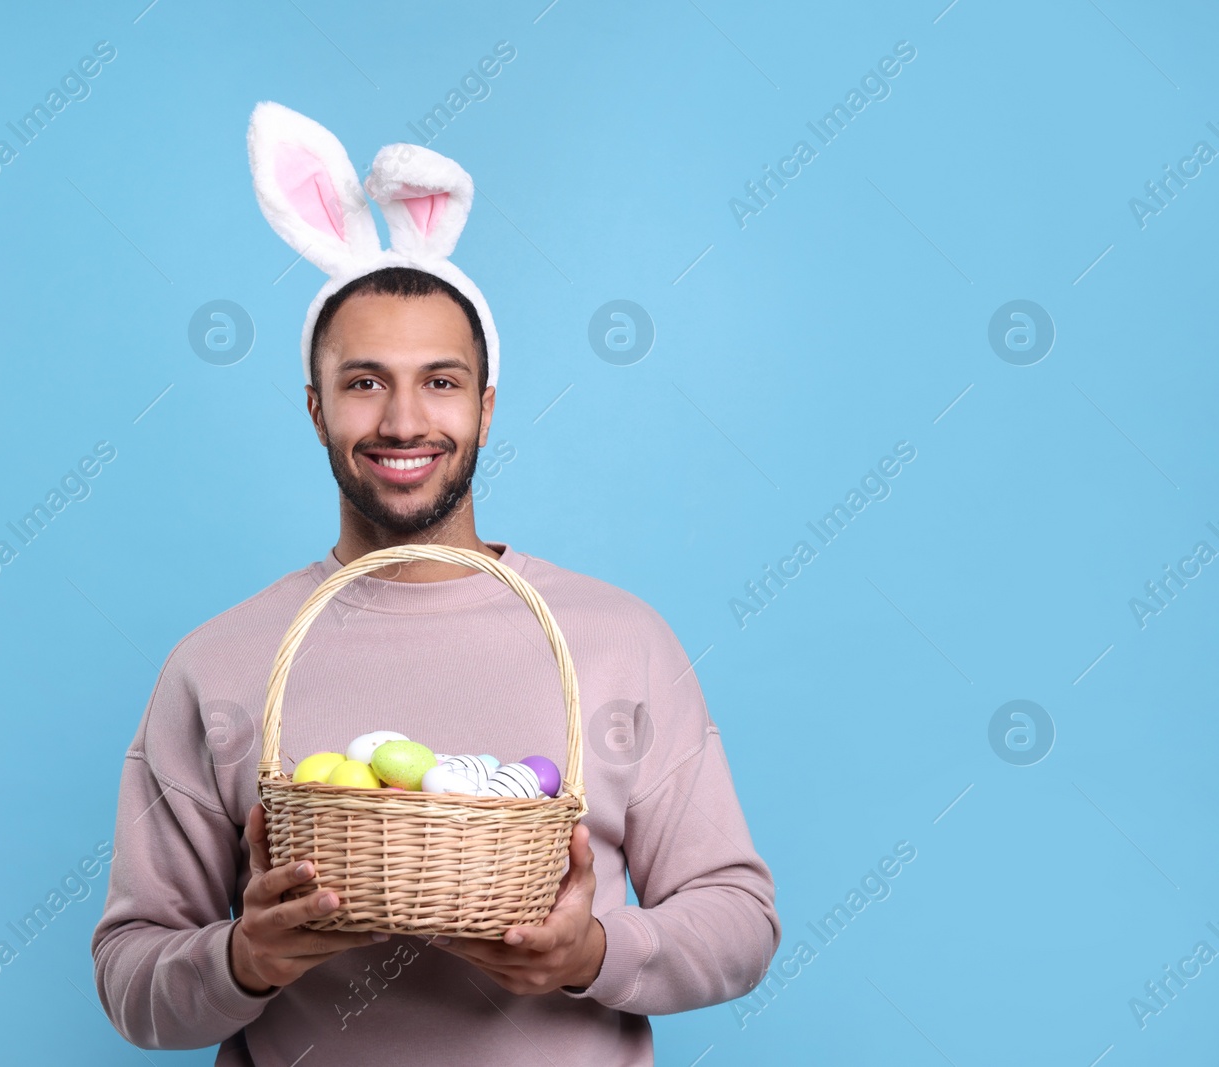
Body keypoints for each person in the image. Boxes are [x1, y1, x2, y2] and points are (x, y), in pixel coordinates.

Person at [90, 102, 779, 1065]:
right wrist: (243, 960)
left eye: (441, 381)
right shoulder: (222, 662)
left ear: (487, 408)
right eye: (365, 381)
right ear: (314, 406)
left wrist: (593, 953)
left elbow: (741, 920)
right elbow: (131, 977)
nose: (404, 420)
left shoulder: (619, 641)